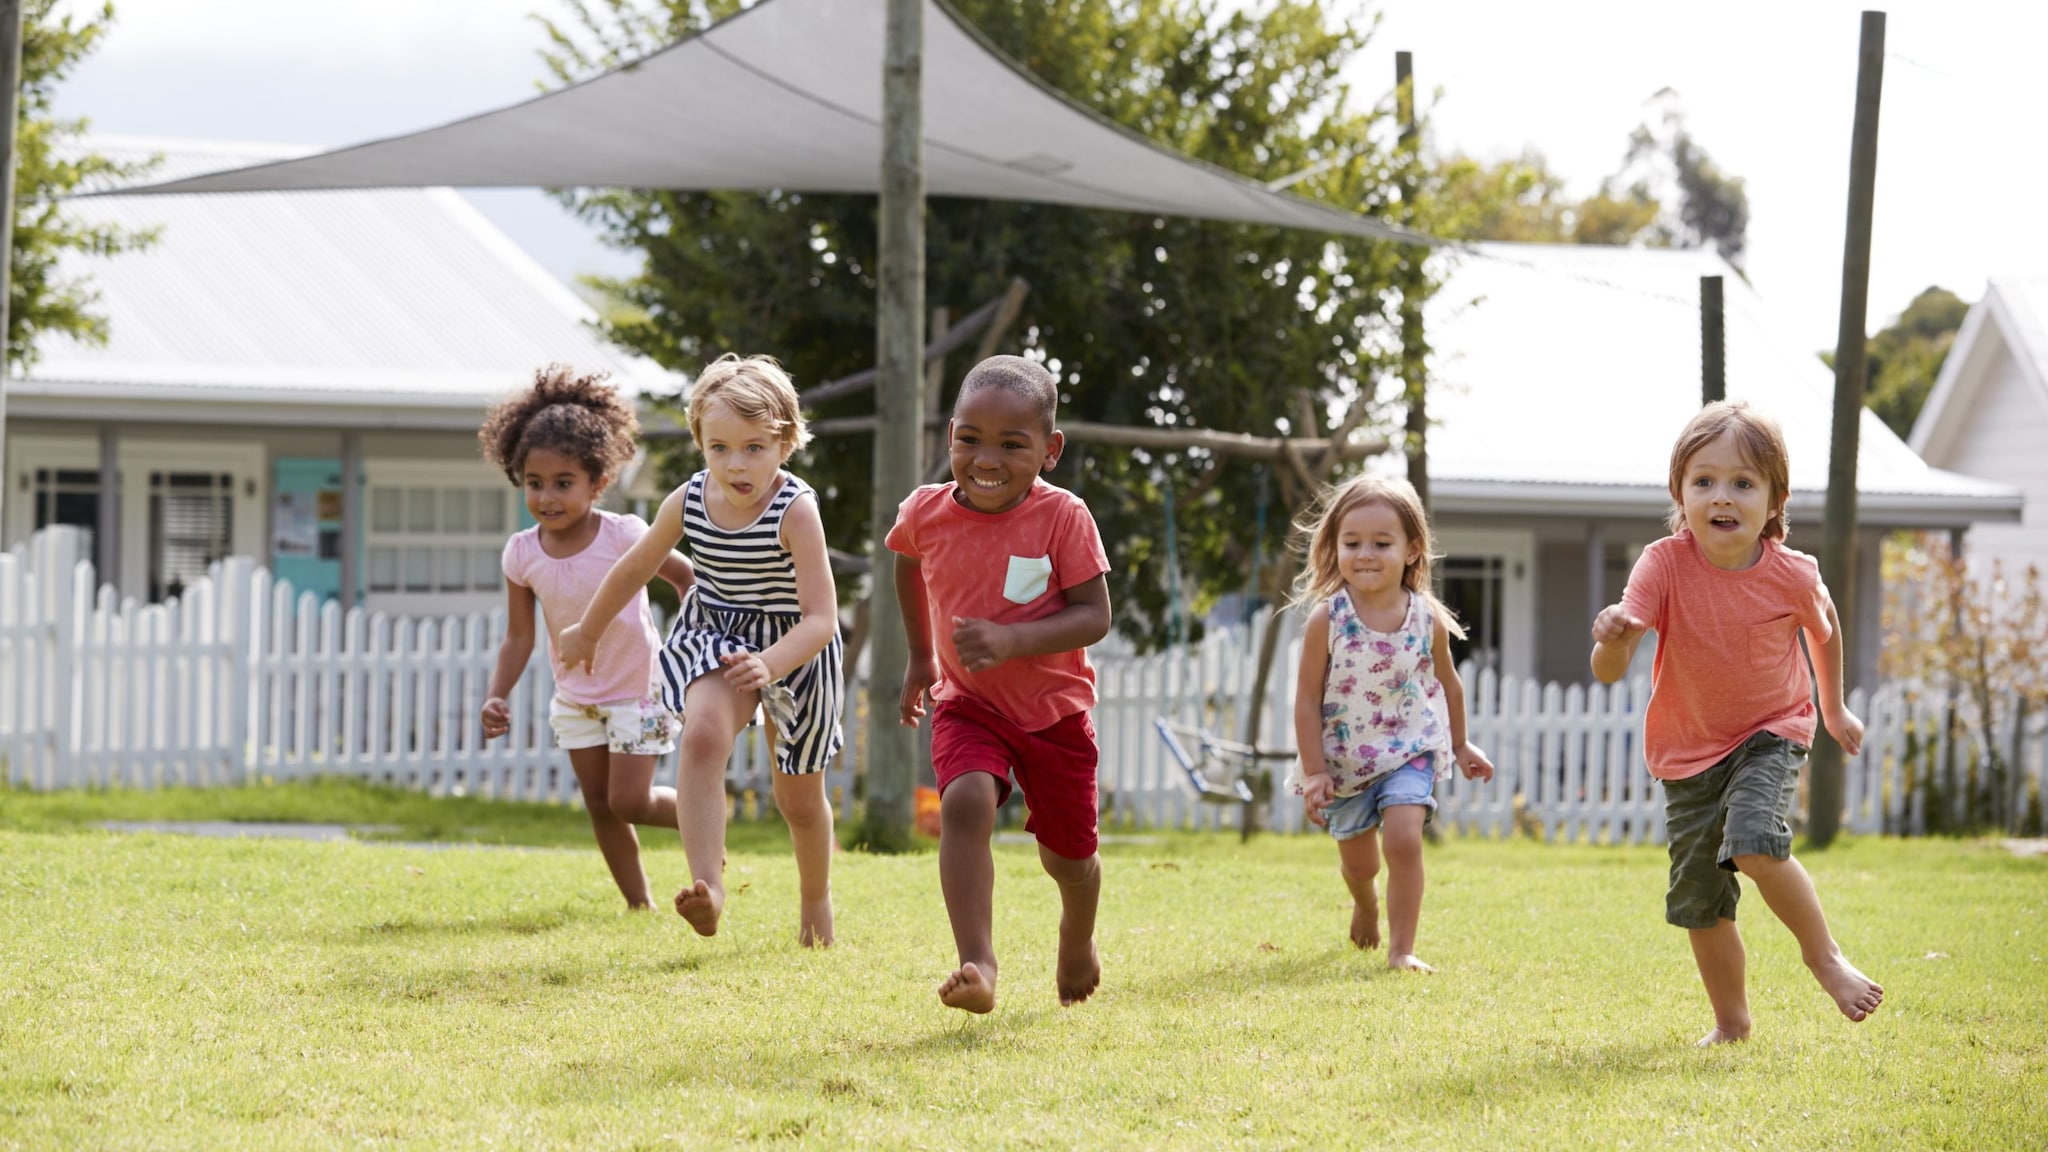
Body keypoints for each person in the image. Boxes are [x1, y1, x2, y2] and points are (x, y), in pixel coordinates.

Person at [1591, 399, 1883, 1045]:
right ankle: (1732, 1023)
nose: (1722, 497)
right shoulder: (1663, 564)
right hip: (1686, 750)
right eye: (1704, 481)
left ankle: (1826, 959)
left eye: (1743, 483)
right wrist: (1613, 637)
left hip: (1772, 730)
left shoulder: (1792, 574)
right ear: (1681, 492)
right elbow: (1609, 669)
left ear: (1775, 499)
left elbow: (1824, 632)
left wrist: (1832, 709)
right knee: (1699, 900)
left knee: (1753, 841)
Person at [557, 354, 843, 947]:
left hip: (795, 648)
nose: (735, 464)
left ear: (785, 442)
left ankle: (815, 901)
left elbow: (821, 618)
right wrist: (588, 629)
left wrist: (773, 663)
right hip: (718, 633)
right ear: (701, 443)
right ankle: (707, 889)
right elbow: (634, 567)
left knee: (798, 800)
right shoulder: (688, 500)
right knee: (704, 735)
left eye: (754, 447)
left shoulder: (796, 509)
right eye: (719, 448)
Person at [890, 354, 1112, 1014]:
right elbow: (906, 562)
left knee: (1068, 861)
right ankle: (977, 963)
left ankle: (1077, 936)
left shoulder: (1062, 518)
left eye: (1012, 444)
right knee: (962, 805)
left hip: (1054, 713)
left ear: (1050, 450)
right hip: (970, 704)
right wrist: (921, 658)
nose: (986, 458)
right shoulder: (925, 512)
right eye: (969, 439)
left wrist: (1012, 639)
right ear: (950, 435)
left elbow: (1094, 615)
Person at [478, 363, 696, 910]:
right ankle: (637, 905)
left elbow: (686, 578)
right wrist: (496, 695)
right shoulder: (522, 553)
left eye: (563, 483)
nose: (547, 497)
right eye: (534, 483)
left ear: (598, 482)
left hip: (637, 689)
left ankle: (703, 822)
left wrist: (699, 640)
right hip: (575, 696)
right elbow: (518, 637)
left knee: (630, 800)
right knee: (600, 805)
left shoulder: (625, 534)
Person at [1289, 474, 1494, 972]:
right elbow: (1306, 698)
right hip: (1343, 761)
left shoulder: (1427, 618)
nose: (1365, 553)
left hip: (1409, 748)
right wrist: (1315, 771)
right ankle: (1365, 902)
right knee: (1361, 864)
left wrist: (1462, 745)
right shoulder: (1328, 618)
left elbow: (1450, 685)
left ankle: (1402, 951)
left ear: (1411, 549)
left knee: (1404, 839)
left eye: (1382, 543)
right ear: (1334, 546)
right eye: (1352, 542)